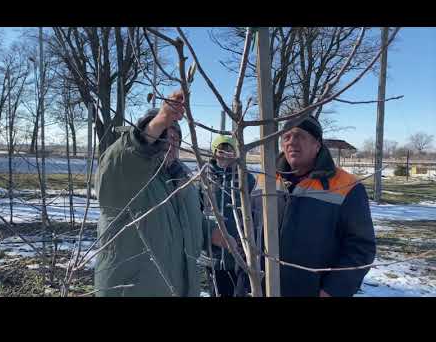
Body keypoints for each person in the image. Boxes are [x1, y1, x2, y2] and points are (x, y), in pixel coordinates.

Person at [94, 91, 236, 297]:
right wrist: (159, 122)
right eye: (163, 136)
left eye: (176, 138)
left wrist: (211, 232)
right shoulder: (127, 177)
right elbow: (127, 156)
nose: (171, 143)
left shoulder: (181, 182)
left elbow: (184, 222)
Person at [265, 114, 376, 297]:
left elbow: (361, 247)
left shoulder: (347, 187)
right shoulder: (265, 179)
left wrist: (334, 289)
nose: (291, 142)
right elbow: (249, 230)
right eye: (286, 137)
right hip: (263, 288)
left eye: (300, 135)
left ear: (317, 144)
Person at [205, 134, 261, 297]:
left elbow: (254, 212)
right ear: (214, 152)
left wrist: (244, 238)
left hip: (237, 252)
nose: (224, 153)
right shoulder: (205, 178)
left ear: (235, 153)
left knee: (235, 291)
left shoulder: (246, 179)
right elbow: (199, 208)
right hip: (212, 253)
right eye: (220, 149)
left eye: (229, 149)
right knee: (215, 291)